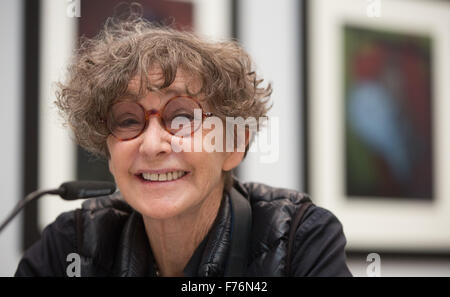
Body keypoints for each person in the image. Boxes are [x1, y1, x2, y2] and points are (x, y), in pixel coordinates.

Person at [15, 16, 352, 277]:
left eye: (181, 118)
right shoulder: (71, 244)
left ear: (233, 144)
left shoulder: (298, 239)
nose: (151, 144)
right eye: (129, 121)